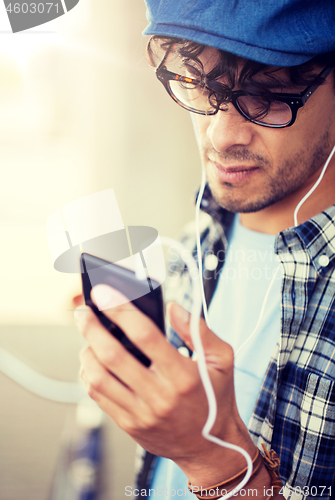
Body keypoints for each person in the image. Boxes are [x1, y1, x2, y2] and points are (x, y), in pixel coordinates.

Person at [75, 1, 335, 499]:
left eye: (268, 95)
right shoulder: (202, 235)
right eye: (199, 83)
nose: (221, 136)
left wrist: (213, 461)